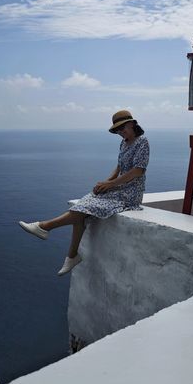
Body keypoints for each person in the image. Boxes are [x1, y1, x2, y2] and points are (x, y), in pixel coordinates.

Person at [19, 110, 150, 276]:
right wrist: (104, 183)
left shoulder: (142, 142)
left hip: (130, 192)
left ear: (132, 123)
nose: (120, 132)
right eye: (117, 130)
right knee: (84, 204)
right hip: (118, 187)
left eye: (122, 127)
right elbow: (119, 167)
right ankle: (71, 256)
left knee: (84, 209)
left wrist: (110, 184)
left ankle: (44, 226)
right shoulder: (124, 143)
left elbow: (138, 171)